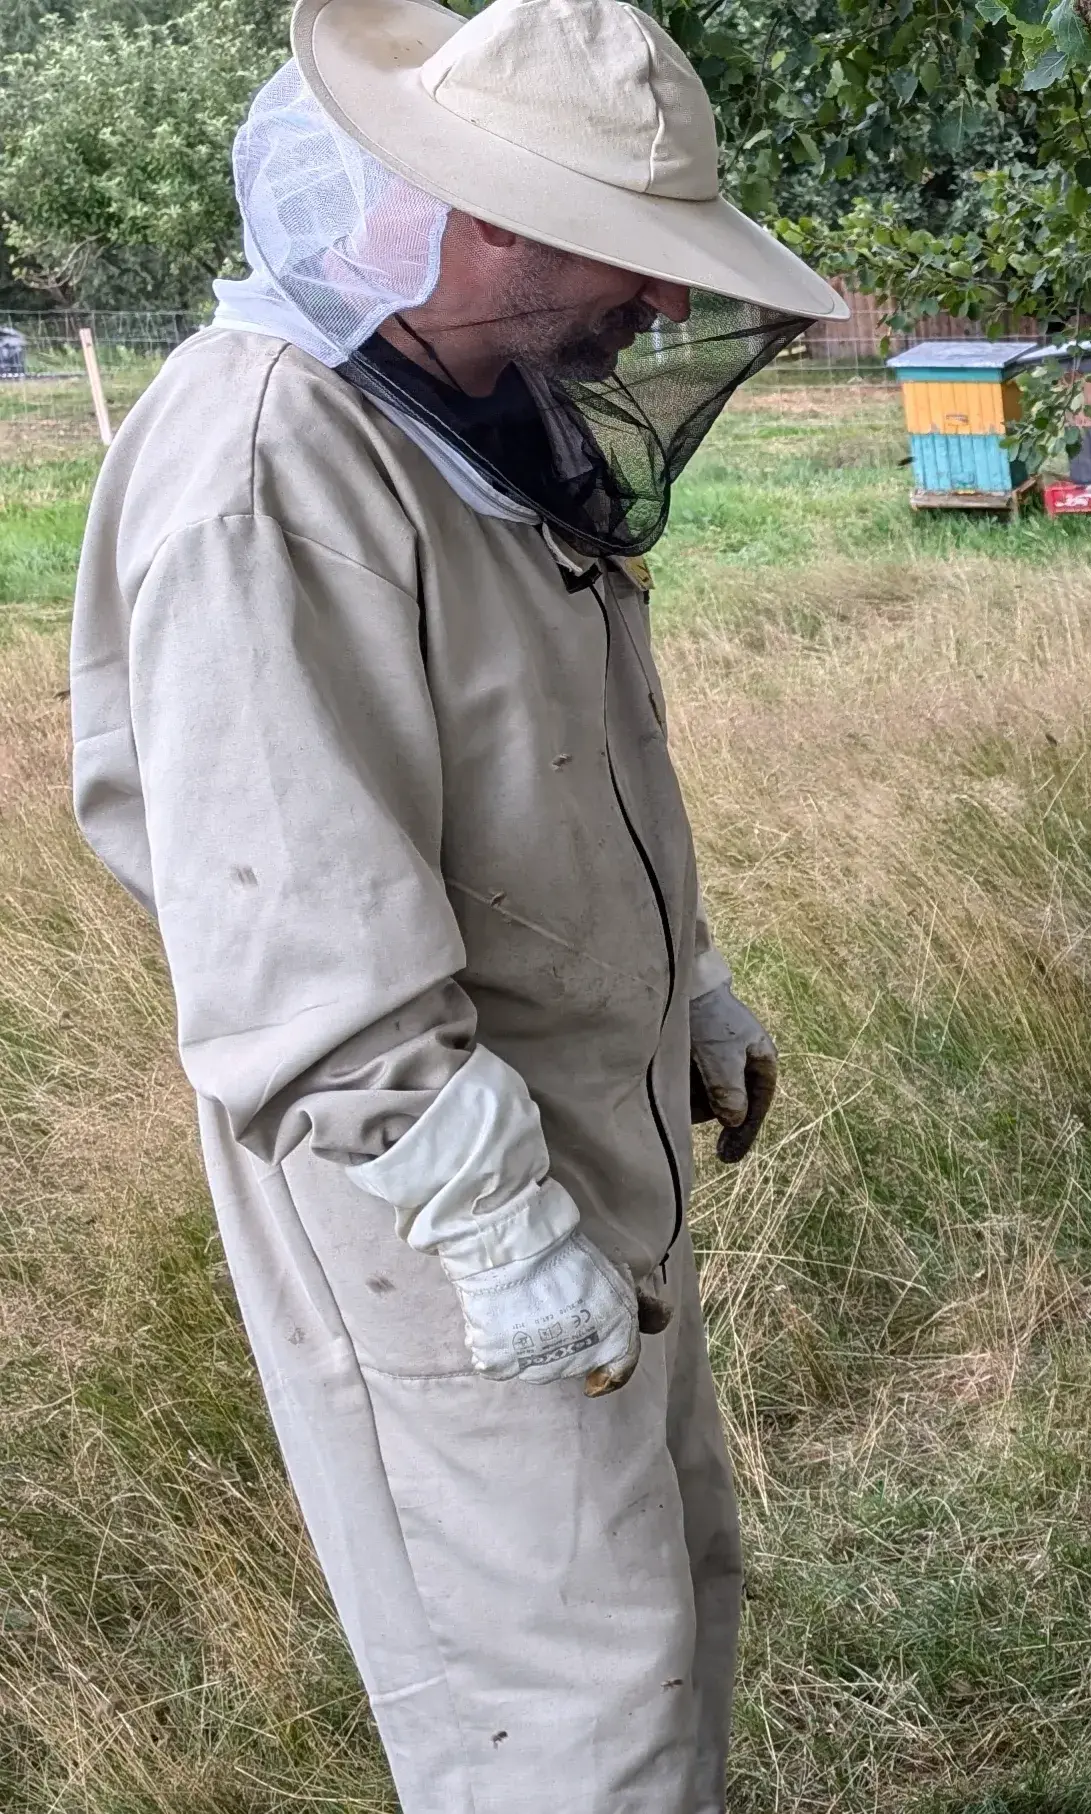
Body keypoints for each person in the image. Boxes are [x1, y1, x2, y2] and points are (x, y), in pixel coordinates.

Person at [66, 0, 845, 1805]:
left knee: (665, 1624)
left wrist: (689, 987)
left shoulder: (471, 408)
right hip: (433, 1194)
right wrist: (494, 1227)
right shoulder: (269, 468)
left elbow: (535, 782)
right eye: (628, 259)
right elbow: (295, 935)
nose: (657, 307)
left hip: (588, 1128)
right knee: (562, 1717)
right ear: (484, 218)